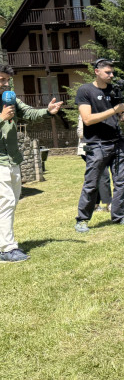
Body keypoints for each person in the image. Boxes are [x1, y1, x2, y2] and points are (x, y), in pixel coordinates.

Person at [0, 65, 63, 263]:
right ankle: (7, 249)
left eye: (7, 80)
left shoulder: (9, 98)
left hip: (13, 159)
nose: (6, 84)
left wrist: (48, 111)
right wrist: (1, 118)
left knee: (10, 202)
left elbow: (29, 113)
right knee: (6, 201)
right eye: (1, 80)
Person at [74, 59, 124, 232]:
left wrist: (122, 117)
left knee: (121, 182)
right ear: (97, 71)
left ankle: (119, 216)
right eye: (108, 72)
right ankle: (82, 220)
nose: (111, 75)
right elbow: (87, 119)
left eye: (112, 72)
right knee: (91, 183)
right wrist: (114, 110)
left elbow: (117, 115)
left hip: (118, 142)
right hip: (96, 144)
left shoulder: (114, 90)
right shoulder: (85, 91)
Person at [76, 116, 111, 213]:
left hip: (103, 149)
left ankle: (95, 205)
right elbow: (80, 133)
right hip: (88, 149)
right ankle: (109, 204)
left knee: (96, 176)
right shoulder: (85, 112)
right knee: (103, 174)